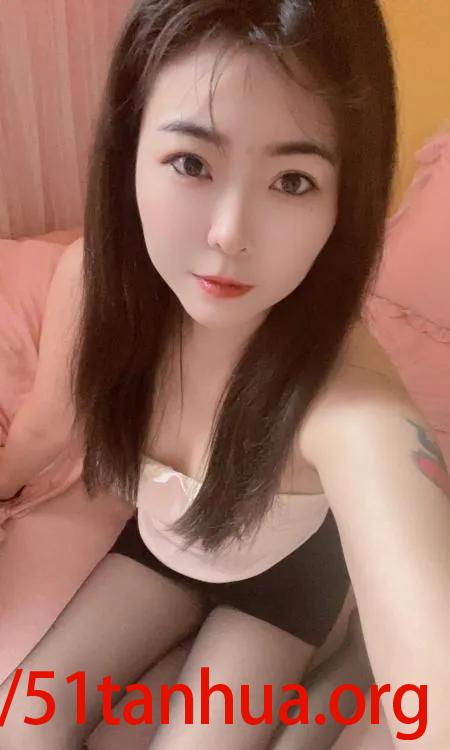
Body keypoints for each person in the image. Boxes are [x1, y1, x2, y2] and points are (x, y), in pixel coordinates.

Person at [0, 1, 449, 748]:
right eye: (191, 163)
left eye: (294, 181)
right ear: (129, 150)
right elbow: (49, 424)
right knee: (22, 726)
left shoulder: (344, 393)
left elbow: (434, 663)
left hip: (290, 583)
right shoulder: (91, 286)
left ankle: (340, 650)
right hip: (161, 545)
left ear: (344, 201)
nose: (229, 234)